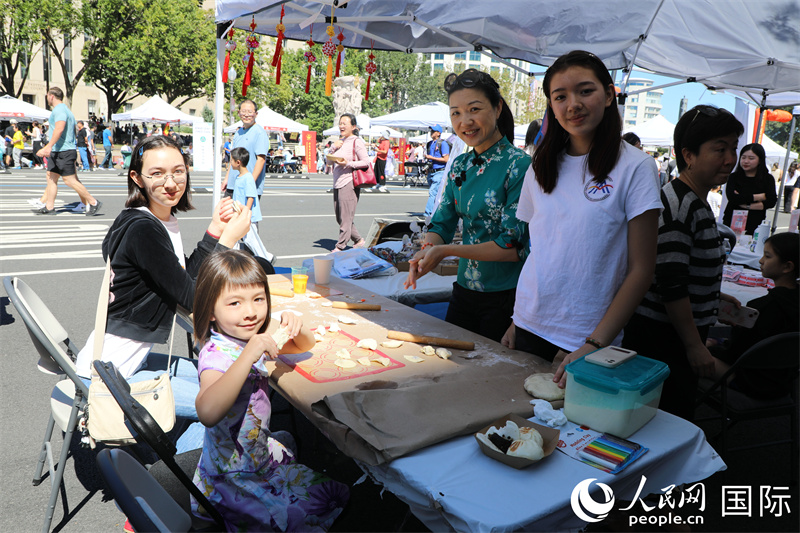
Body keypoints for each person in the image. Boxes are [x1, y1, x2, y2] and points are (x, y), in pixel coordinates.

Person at [500, 51, 661, 385]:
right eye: (560, 96)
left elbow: (642, 270)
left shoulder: (636, 166)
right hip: (527, 325)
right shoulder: (540, 166)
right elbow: (542, 250)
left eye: (585, 91)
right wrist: (518, 319)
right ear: (551, 106)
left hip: (586, 338)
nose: (572, 104)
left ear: (608, 95)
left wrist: (594, 342)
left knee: (570, 435)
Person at [73, 135, 252, 421]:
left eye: (178, 171)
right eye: (157, 173)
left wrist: (215, 231)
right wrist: (229, 239)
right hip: (109, 376)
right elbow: (194, 299)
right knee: (227, 400)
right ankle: (191, 465)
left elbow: (183, 281)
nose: (170, 183)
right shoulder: (143, 230)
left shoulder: (146, 218)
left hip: (119, 361)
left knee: (224, 378)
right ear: (137, 177)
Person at [191, 249, 349, 531]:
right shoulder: (216, 354)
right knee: (328, 498)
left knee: (293, 448)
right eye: (235, 303)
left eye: (258, 299)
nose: (250, 312)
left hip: (253, 453)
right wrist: (248, 356)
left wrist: (297, 328)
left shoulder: (247, 336)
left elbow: (304, 346)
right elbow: (207, 411)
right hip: (232, 474)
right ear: (210, 312)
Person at [622, 104, 745, 420]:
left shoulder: (694, 200)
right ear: (688, 155)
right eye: (719, 149)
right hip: (664, 339)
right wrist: (693, 346)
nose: (730, 159)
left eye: (733, 148)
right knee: (663, 420)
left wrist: (713, 298)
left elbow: (683, 271)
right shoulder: (678, 205)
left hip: (677, 334)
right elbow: (670, 283)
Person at [405, 69, 530, 342]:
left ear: (497, 108)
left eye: (474, 109)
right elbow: (442, 222)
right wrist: (427, 251)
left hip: (506, 297)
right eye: (456, 113)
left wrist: (445, 251)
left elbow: (512, 247)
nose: (465, 121)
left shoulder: (519, 166)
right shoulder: (460, 165)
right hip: (463, 291)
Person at [710, 232, 799, 399]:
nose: (760, 261)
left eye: (767, 256)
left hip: (751, 382)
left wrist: (711, 345)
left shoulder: (760, 309)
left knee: (691, 353)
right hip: (784, 382)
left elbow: (735, 353)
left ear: (787, 267)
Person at [35, 87, 102, 216]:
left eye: (47, 95)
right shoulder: (65, 109)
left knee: (69, 180)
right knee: (51, 177)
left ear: (51, 96)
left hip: (64, 151)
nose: (47, 98)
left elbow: (59, 129)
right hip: (59, 150)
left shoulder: (59, 110)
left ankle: (93, 202)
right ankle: (49, 207)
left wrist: (48, 146)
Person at [329, 113, 369, 251]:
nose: (341, 126)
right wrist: (333, 147)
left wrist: (348, 163)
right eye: (340, 123)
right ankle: (358, 240)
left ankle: (340, 247)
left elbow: (366, 162)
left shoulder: (356, 141)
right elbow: (328, 161)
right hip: (337, 182)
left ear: (353, 126)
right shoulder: (340, 142)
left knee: (345, 218)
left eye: (344, 123)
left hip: (349, 182)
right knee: (340, 217)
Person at [722, 143, 777, 235]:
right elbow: (733, 198)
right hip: (732, 220)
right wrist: (759, 197)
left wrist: (746, 205)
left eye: (751, 158)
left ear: (760, 160)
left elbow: (771, 202)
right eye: (743, 158)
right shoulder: (734, 177)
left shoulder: (767, 179)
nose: (746, 161)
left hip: (755, 223)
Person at [222, 100, 269, 201]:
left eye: (250, 112)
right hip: (233, 184)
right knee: (225, 215)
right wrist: (227, 179)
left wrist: (250, 183)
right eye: (243, 112)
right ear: (239, 113)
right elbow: (233, 159)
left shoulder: (259, 133)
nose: (246, 115)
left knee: (244, 216)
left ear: (256, 114)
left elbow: (261, 159)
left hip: (248, 186)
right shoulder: (238, 132)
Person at [423, 125, 451, 217]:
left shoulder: (443, 143)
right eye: (431, 131)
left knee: (433, 192)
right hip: (431, 171)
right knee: (435, 194)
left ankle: (428, 213)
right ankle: (436, 212)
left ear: (439, 133)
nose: (432, 132)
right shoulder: (430, 143)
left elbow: (446, 159)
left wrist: (432, 157)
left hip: (440, 171)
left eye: (434, 131)